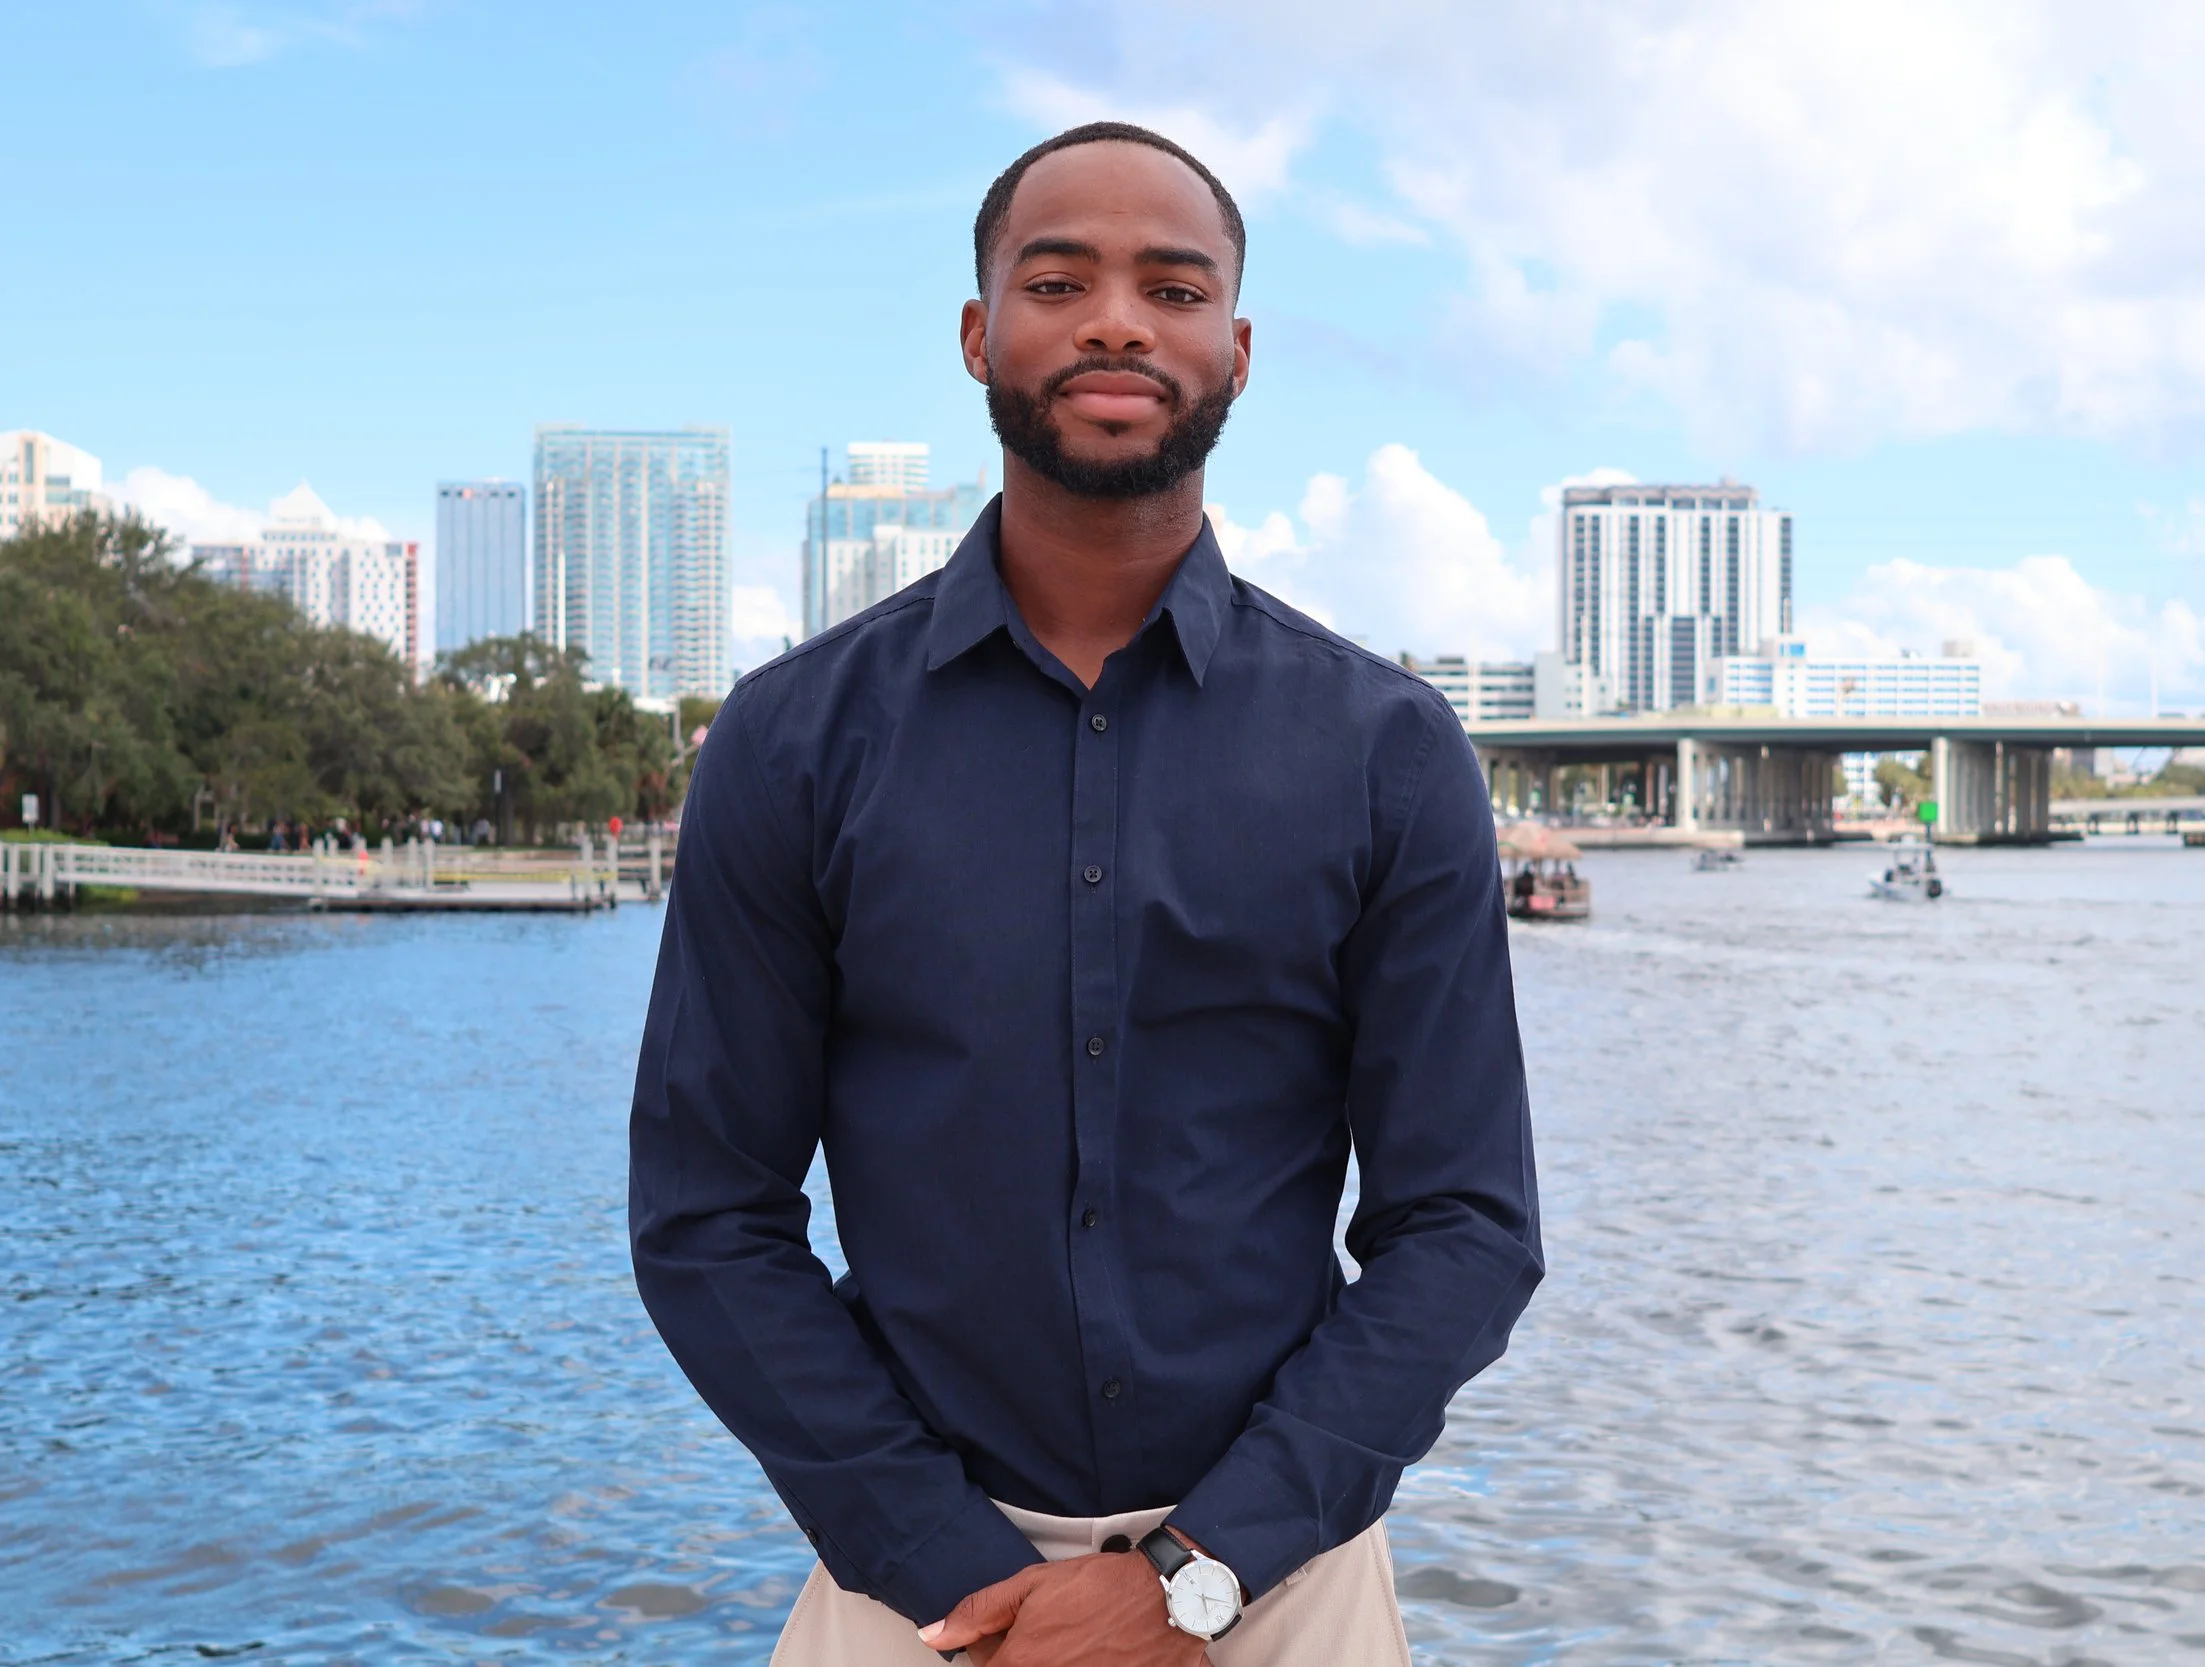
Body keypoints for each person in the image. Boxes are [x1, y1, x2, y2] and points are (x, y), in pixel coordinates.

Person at [631, 121, 1540, 1667]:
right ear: (982, 334)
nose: (1118, 318)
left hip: (1279, 1588)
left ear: (1237, 351)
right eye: (1060, 280)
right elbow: (708, 1216)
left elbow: (1464, 1224)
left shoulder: (1385, 752)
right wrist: (947, 1566)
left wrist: (1200, 1571)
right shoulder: (794, 742)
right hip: (911, 1591)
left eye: (1173, 287)